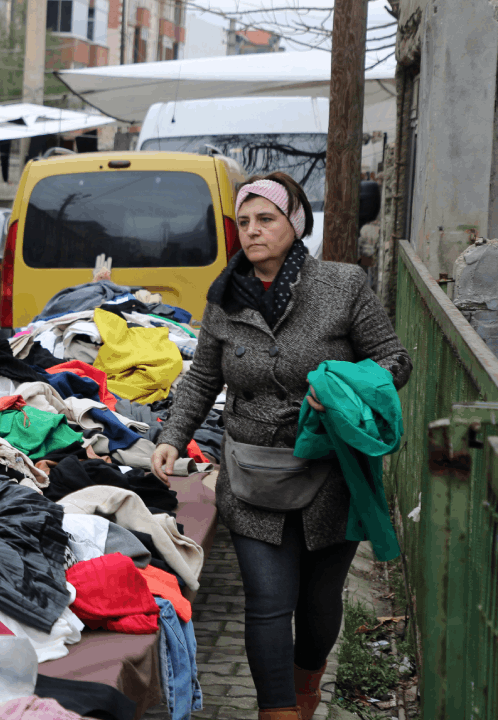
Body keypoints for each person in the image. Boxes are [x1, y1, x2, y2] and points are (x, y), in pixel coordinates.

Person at [149, 172, 412, 720]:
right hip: (251, 472)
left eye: (265, 218)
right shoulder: (224, 298)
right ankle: (277, 712)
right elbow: (202, 377)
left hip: (332, 470)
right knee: (268, 604)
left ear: (295, 223)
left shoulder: (343, 285)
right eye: (243, 222)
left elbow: (394, 360)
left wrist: (338, 387)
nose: (252, 231)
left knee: (317, 606)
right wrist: (173, 436)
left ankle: (308, 685)